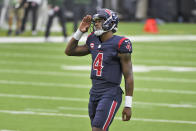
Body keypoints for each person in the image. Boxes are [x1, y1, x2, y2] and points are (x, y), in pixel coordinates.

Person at [65, 8, 134, 131]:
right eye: (95, 21)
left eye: (99, 20)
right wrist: (79, 32)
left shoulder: (121, 43)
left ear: (110, 22)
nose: (95, 23)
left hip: (111, 92)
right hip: (94, 92)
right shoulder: (93, 40)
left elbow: (128, 76)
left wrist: (128, 105)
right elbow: (69, 51)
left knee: (97, 129)